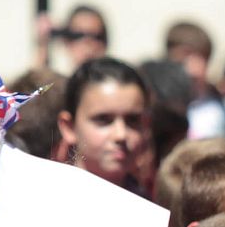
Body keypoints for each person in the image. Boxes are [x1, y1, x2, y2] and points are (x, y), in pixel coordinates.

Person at [57, 58, 153, 193]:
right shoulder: (45, 201)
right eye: (103, 120)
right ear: (69, 127)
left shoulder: (152, 207)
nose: (121, 135)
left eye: (132, 120)